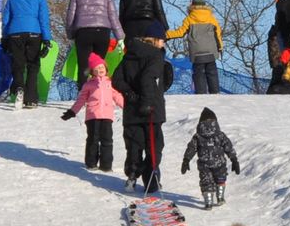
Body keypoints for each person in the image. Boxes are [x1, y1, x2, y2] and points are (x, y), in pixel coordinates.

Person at [116, 36, 174, 195]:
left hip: (132, 111)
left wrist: (129, 93)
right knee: (154, 146)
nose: (164, 43)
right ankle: (151, 181)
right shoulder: (156, 56)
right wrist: (149, 100)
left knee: (134, 146)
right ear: (154, 41)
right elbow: (149, 79)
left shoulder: (128, 56)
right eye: (162, 40)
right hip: (151, 111)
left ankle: (133, 176)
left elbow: (116, 79)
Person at [0, 0, 52, 108]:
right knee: (33, 65)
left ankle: (19, 88)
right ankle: (31, 98)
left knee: (18, 64)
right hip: (35, 33)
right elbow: (44, 20)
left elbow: (6, 20)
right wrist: (46, 40)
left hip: (15, 33)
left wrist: (4, 38)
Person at [60, 51, 123, 172]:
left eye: (102, 67)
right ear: (92, 71)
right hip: (92, 116)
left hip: (107, 116)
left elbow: (118, 97)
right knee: (93, 140)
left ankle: (106, 165)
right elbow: (81, 100)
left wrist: (129, 108)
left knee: (107, 140)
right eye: (97, 68)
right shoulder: (89, 85)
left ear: (106, 68)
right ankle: (91, 163)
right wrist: (72, 111)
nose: (100, 69)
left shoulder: (111, 83)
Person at [63, 0, 122, 88]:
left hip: (83, 33)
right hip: (102, 33)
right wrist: (120, 37)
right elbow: (113, 17)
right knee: (99, 65)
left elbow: (70, 16)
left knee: (84, 65)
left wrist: (70, 33)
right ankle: (98, 90)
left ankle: (83, 94)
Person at [180, 107, 241, 208]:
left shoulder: (198, 136)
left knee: (206, 181)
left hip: (204, 165)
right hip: (219, 164)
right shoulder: (220, 135)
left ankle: (208, 202)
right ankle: (220, 197)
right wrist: (234, 159)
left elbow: (191, 148)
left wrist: (186, 160)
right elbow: (228, 147)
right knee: (220, 179)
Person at [166, 0, 224, 94]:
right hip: (211, 51)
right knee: (212, 72)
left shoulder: (189, 19)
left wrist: (166, 34)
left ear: (193, 4)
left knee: (199, 73)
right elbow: (218, 33)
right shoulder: (211, 18)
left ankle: (200, 94)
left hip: (197, 52)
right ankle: (215, 93)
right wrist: (220, 47)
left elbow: (180, 32)